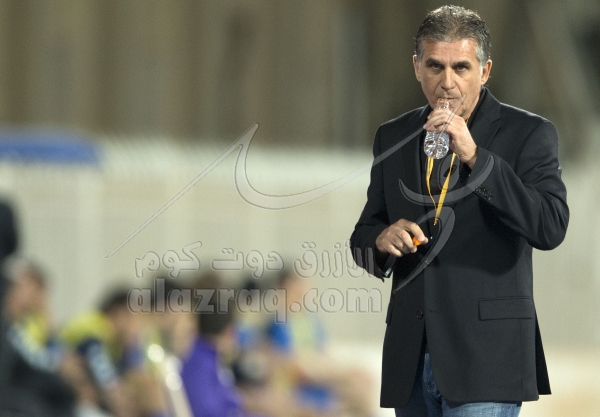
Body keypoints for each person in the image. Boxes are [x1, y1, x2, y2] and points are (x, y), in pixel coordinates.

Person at [350, 5, 569, 417]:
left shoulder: (529, 133)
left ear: (484, 72)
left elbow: (549, 226)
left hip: (486, 361)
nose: (447, 82)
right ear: (417, 67)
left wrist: (476, 158)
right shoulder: (392, 136)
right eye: (435, 65)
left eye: (461, 68)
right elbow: (363, 234)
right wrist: (380, 239)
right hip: (410, 360)